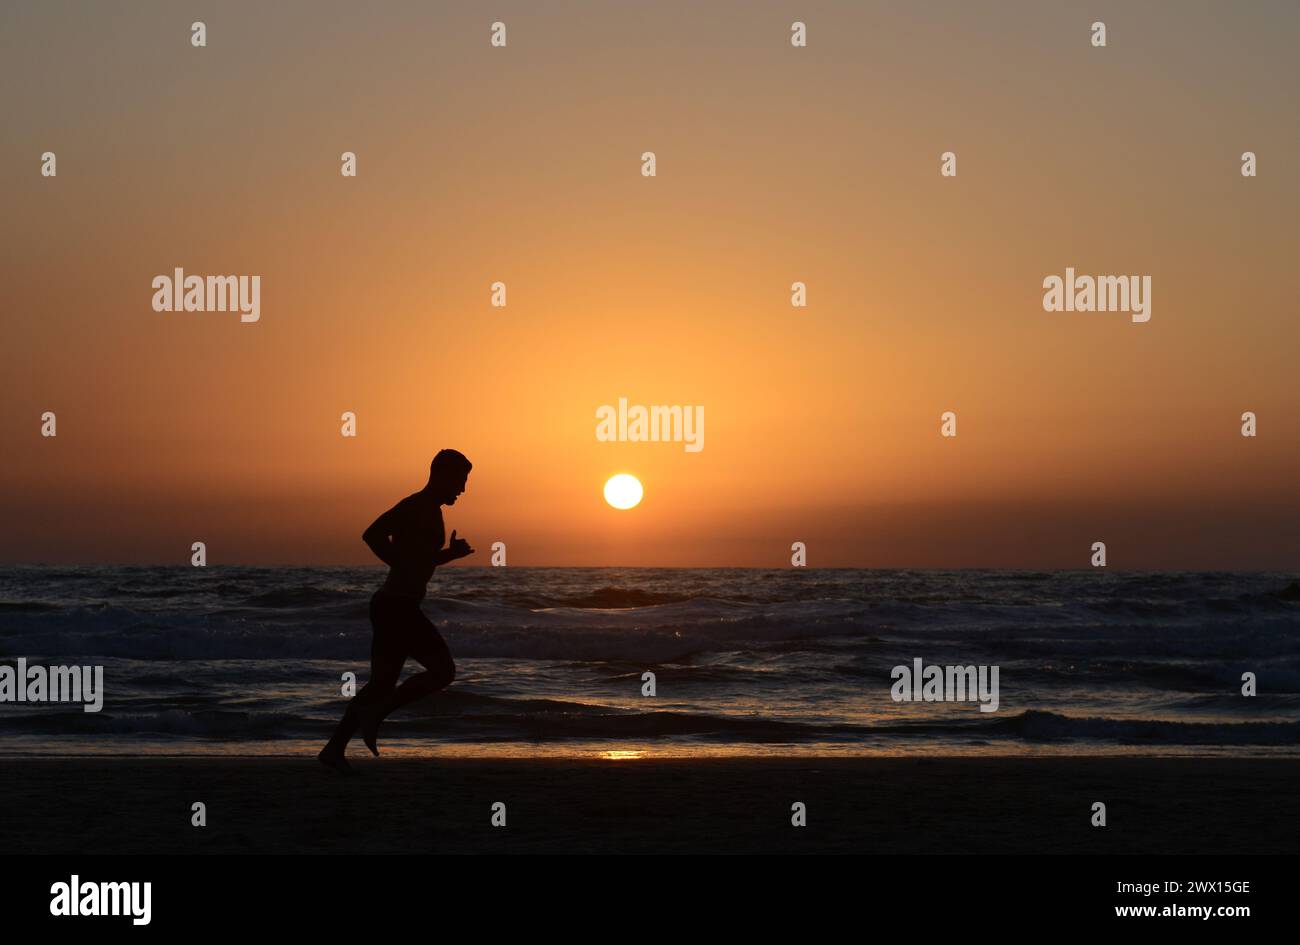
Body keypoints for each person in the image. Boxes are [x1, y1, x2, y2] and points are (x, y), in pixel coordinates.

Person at [319, 449, 474, 774]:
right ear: (442, 475)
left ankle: (334, 749)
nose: (462, 489)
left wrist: (447, 555)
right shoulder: (416, 506)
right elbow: (371, 534)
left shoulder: (429, 509)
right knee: (443, 671)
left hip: (394, 605)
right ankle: (377, 714)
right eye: (460, 481)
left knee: (380, 683)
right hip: (397, 607)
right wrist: (398, 562)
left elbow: (419, 560)